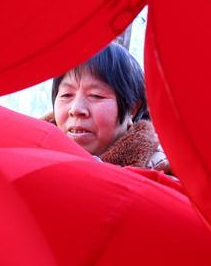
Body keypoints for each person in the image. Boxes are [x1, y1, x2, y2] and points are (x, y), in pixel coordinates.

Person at [42, 43, 171, 174]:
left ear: (132, 110)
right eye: (66, 95)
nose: (76, 109)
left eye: (96, 95)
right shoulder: (34, 155)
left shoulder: (160, 175)